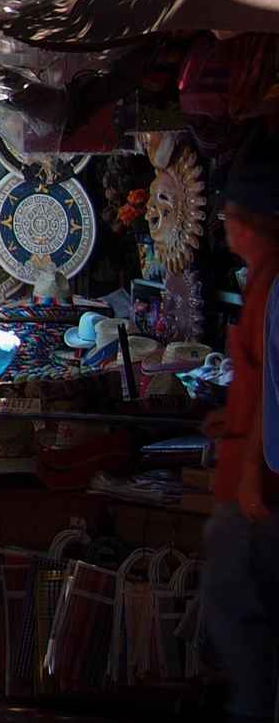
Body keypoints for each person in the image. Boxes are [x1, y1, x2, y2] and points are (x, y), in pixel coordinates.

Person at [206, 130, 279, 720]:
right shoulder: (263, 280)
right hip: (248, 477)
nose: (225, 226)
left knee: (241, 615)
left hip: (258, 493)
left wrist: (252, 474)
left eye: (231, 214)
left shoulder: (275, 282)